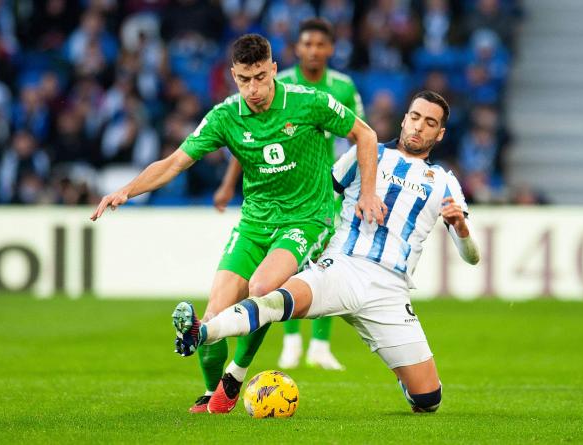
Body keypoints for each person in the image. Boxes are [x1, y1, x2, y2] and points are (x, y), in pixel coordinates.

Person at [91, 34, 385, 414]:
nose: (254, 88)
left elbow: (366, 134)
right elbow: (175, 162)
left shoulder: (307, 102)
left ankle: (236, 374)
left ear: (274, 69)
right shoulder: (225, 116)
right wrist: (126, 191)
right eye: (245, 79)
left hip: (306, 218)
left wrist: (367, 194)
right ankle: (215, 394)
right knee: (213, 318)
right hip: (254, 223)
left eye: (261, 77)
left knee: (262, 287)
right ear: (233, 76)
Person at [173, 91, 481, 413]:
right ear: (405, 118)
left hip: (390, 290)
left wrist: (461, 230)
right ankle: (202, 332)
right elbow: (322, 197)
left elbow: (471, 257)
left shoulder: (444, 183)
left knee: (428, 400)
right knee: (275, 299)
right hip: (341, 267)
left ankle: (407, 378)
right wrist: (311, 240)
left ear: (440, 133)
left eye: (430, 123)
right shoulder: (366, 153)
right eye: (415, 117)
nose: (419, 127)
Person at [213, 18, 364, 371]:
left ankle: (321, 346)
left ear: (330, 49)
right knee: (284, 268)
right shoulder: (278, 84)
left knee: (324, 264)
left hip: (323, 189)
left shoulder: (342, 87)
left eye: (319, 45)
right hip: (278, 189)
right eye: (306, 44)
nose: (313, 50)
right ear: (297, 49)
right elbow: (248, 146)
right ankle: (293, 341)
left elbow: (360, 136)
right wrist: (227, 183)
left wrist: (359, 189)